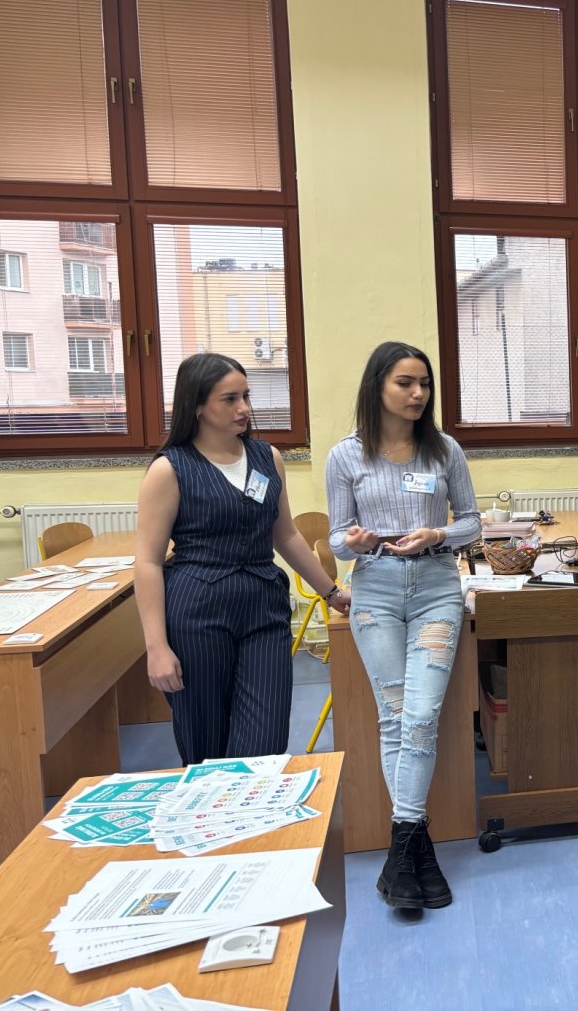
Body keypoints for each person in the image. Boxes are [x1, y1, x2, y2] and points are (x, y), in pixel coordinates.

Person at [134, 352, 350, 767]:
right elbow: (147, 562)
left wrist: (331, 592)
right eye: (230, 399)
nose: (244, 408)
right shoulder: (169, 469)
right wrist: (156, 647)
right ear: (197, 406)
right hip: (197, 611)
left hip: (263, 607)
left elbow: (285, 534)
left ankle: (255, 806)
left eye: (246, 396)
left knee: (265, 739)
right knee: (206, 747)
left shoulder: (268, 458)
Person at [327, 341, 482, 911]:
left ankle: (402, 849)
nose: (418, 394)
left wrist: (438, 534)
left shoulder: (444, 450)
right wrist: (355, 541)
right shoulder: (346, 456)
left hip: (437, 588)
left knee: (420, 716)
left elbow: (472, 523)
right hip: (376, 591)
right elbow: (336, 537)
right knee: (394, 719)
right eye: (405, 383)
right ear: (378, 387)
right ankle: (416, 851)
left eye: (425, 384)